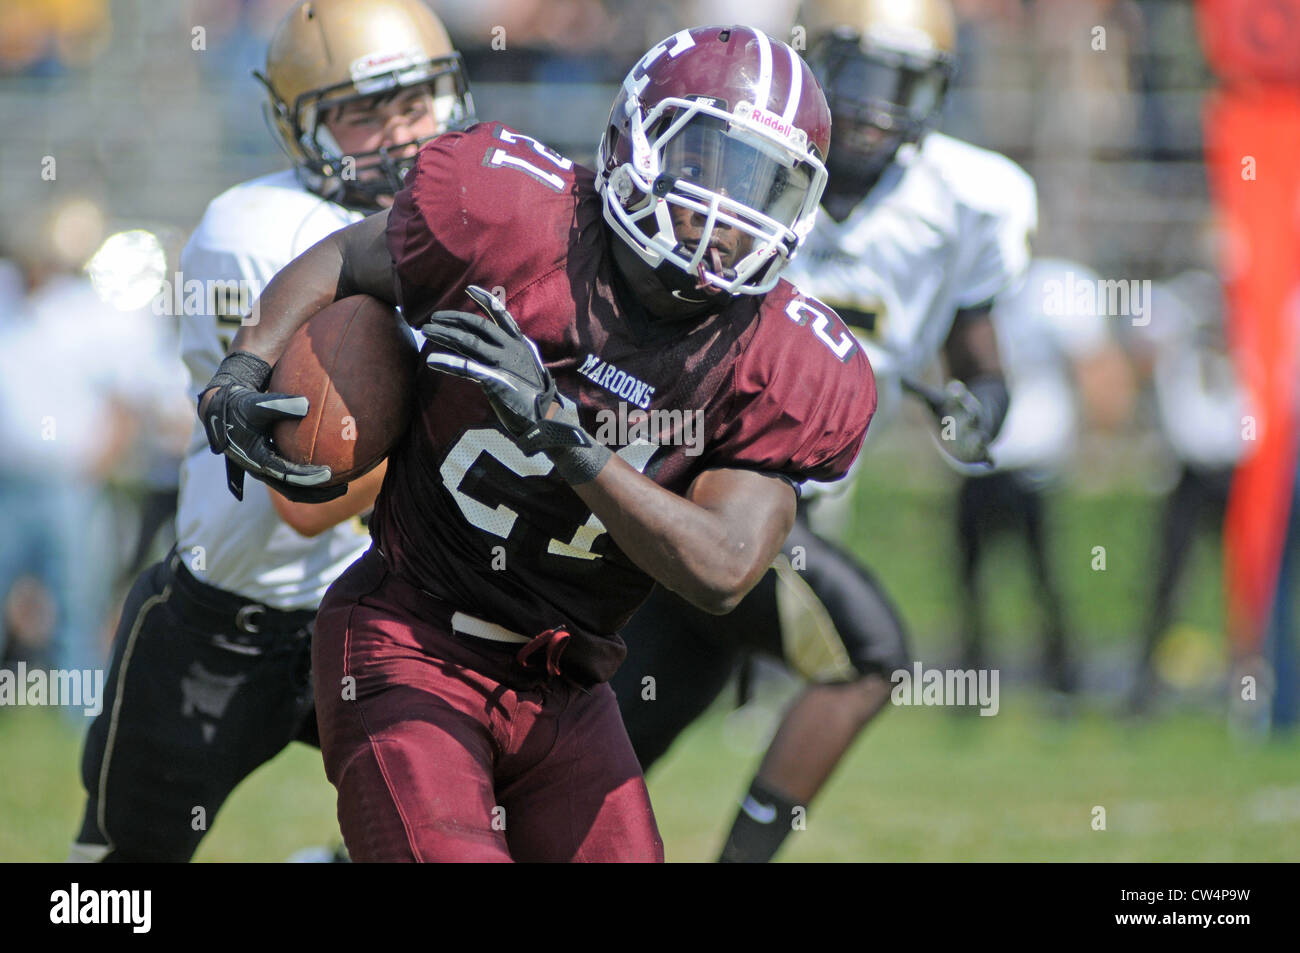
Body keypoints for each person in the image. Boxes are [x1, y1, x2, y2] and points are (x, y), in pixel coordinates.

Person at [199, 24, 876, 862]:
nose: (725, 210)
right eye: (705, 164)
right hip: (409, 637)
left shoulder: (785, 360)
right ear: (635, 139)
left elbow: (723, 568)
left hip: (565, 682)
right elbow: (348, 257)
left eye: (762, 185)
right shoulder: (510, 213)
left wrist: (569, 442)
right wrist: (245, 362)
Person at [610, 0, 1036, 862]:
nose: (879, 106)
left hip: (794, 495)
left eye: (905, 83)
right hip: (701, 474)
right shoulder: (748, 153)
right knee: (869, 652)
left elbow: (976, 351)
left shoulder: (972, 199)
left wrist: (981, 404)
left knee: (614, 744)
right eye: (864, 75)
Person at [70, 0, 475, 863]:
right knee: (115, 881)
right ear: (305, 127)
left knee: (451, 837)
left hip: (383, 614)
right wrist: (475, 421)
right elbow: (307, 494)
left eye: (413, 104)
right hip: (231, 620)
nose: (398, 136)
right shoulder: (257, 233)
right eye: (362, 114)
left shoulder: (476, 213)